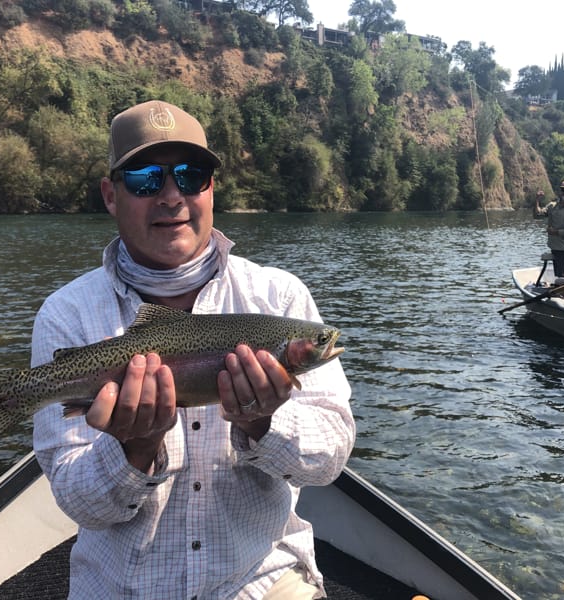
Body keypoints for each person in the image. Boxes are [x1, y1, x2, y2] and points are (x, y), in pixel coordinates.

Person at [31, 99, 355, 599]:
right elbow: (80, 505)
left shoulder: (279, 296)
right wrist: (133, 450)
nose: (170, 196)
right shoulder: (67, 314)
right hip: (123, 588)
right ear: (110, 196)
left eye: (190, 174)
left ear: (211, 188)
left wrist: (263, 422)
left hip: (260, 578)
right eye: (144, 178)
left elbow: (330, 458)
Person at [532, 180, 564, 277]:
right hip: (555, 247)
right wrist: (537, 200)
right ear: (560, 191)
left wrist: (555, 232)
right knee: (560, 277)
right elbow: (537, 215)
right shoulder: (552, 206)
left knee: (563, 278)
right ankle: (560, 290)